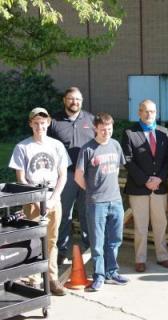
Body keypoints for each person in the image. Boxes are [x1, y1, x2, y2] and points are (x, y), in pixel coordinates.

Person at [9, 107, 70, 296]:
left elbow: (63, 175)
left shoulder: (57, 146)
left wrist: (54, 198)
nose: (39, 126)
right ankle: (34, 280)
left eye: (43, 123)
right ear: (30, 124)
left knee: (52, 240)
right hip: (32, 200)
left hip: (53, 199)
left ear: (48, 123)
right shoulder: (23, 147)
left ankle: (52, 278)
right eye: (36, 123)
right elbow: (21, 178)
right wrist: (35, 201)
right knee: (34, 240)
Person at [75, 112, 129, 291]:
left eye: (109, 128)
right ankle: (98, 276)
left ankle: (111, 272)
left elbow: (118, 168)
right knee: (97, 242)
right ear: (95, 129)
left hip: (116, 201)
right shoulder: (88, 149)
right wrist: (91, 191)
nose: (107, 132)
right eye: (103, 129)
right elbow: (78, 176)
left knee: (115, 240)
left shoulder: (115, 145)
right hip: (96, 203)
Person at [121, 100, 168, 273]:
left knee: (161, 223)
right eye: (145, 111)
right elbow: (128, 160)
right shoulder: (130, 133)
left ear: (156, 113)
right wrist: (145, 180)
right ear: (139, 112)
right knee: (141, 225)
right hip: (139, 187)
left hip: (159, 186)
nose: (149, 115)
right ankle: (140, 259)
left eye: (152, 111)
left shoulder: (164, 132)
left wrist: (159, 178)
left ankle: (163, 256)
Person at [48, 87, 95, 265]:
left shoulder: (91, 120)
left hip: (85, 176)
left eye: (77, 99)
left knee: (86, 213)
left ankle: (89, 247)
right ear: (64, 100)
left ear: (81, 101)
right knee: (64, 214)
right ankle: (61, 250)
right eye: (70, 99)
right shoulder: (54, 122)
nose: (74, 102)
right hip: (64, 177)